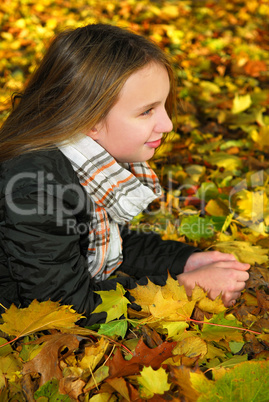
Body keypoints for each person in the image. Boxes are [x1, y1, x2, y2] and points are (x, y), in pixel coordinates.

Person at [0, 24, 249, 325]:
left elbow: (103, 242)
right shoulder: (36, 189)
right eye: (147, 111)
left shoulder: (87, 163)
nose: (167, 124)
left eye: (164, 106)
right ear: (87, 117)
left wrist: (186, 260)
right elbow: (64, 311)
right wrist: (185, 289)